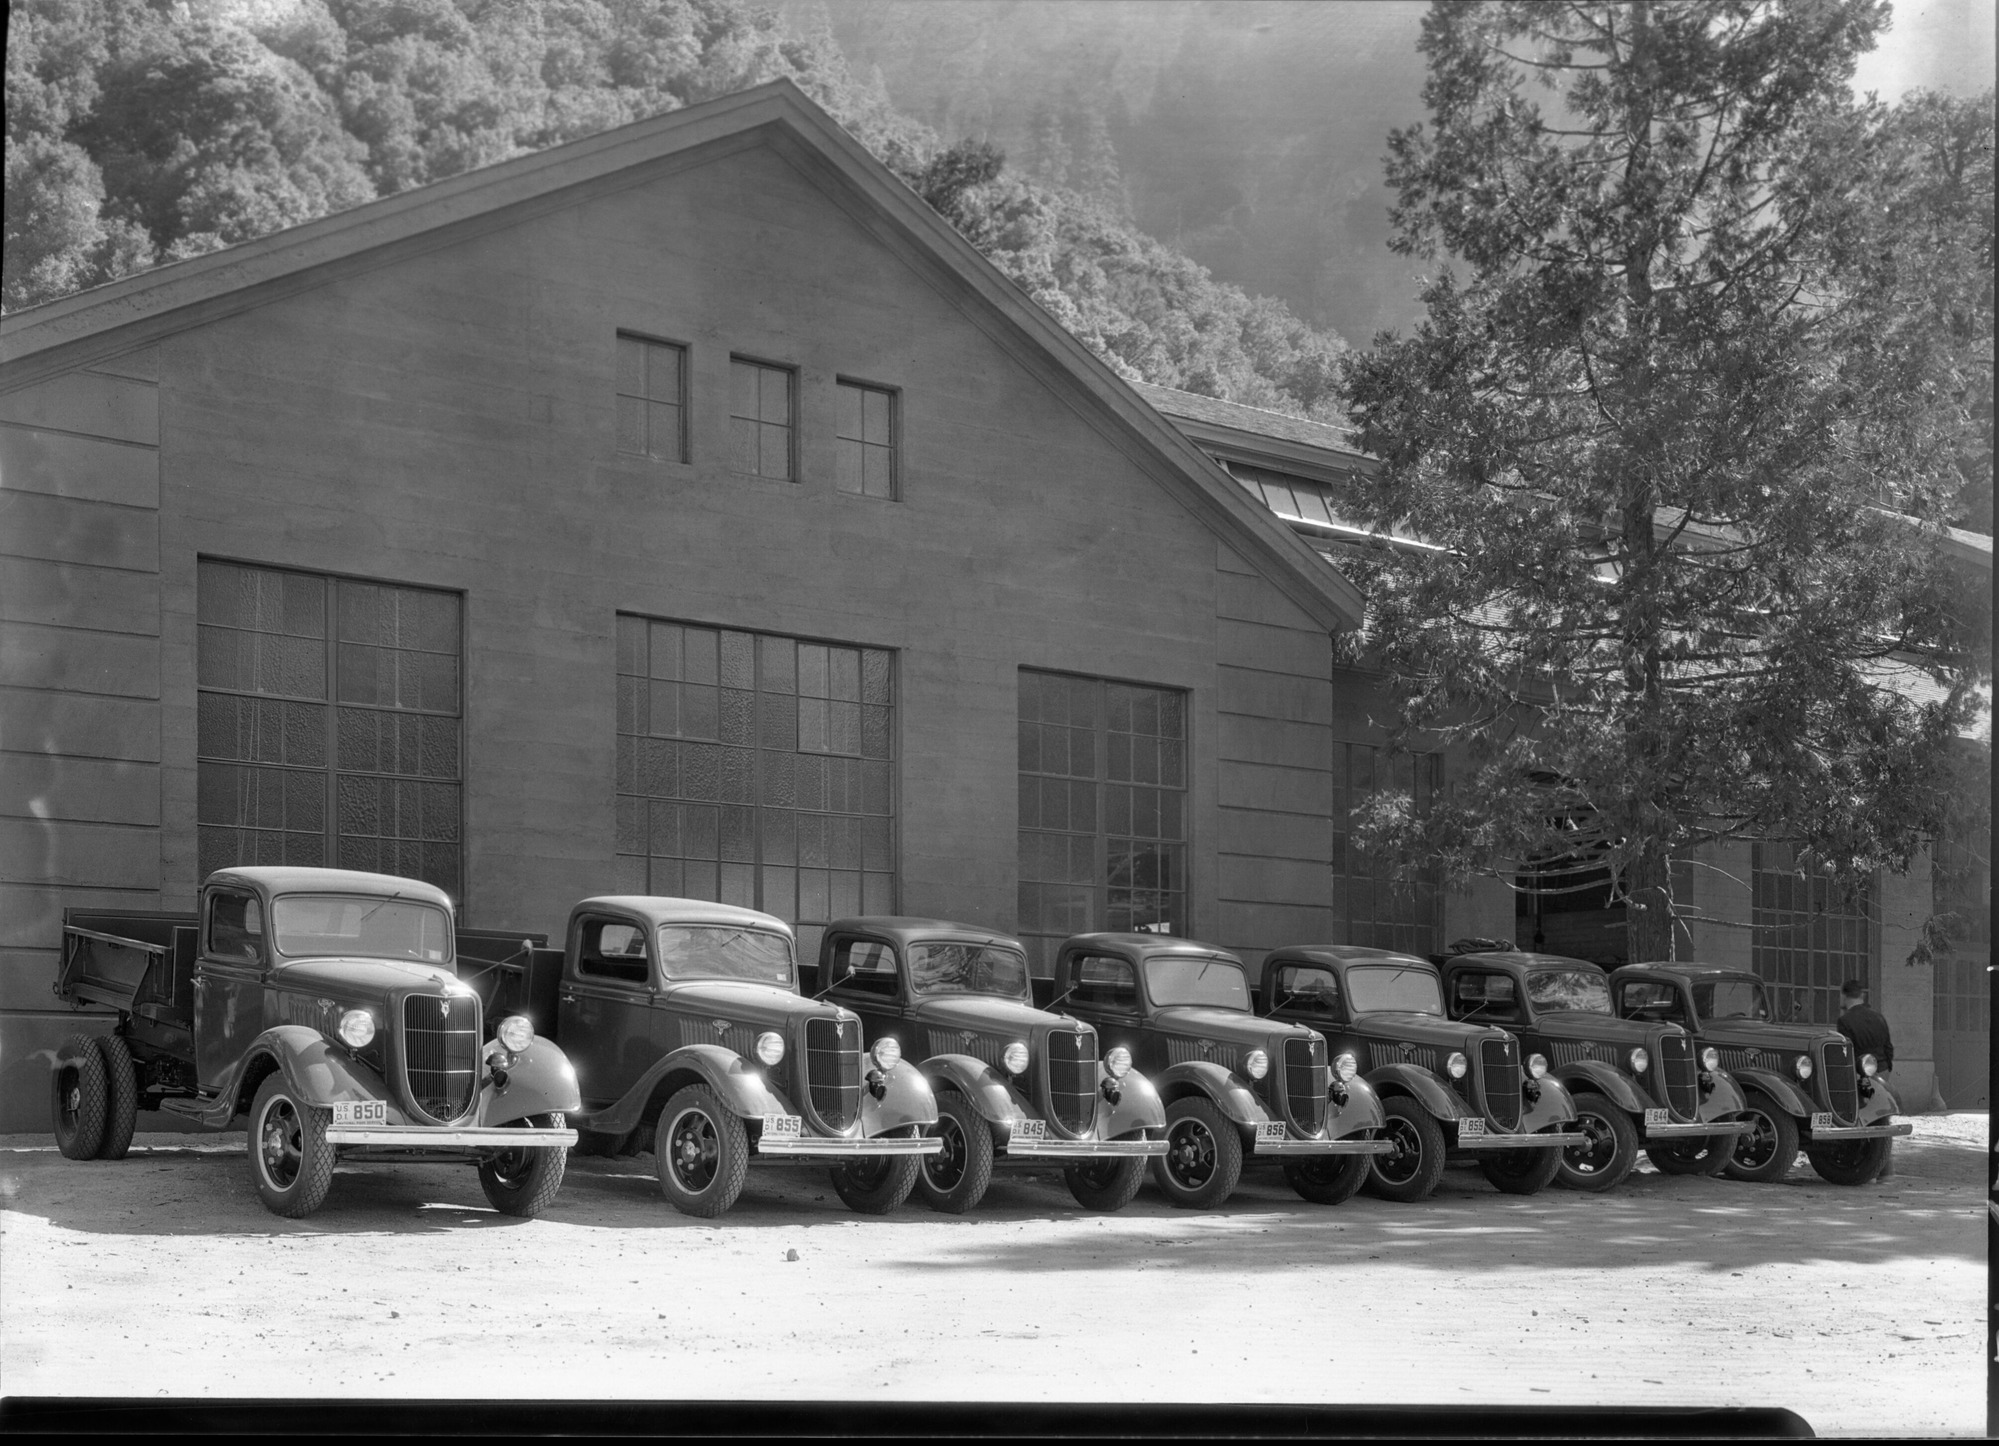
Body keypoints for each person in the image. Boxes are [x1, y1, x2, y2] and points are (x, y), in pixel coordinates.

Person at [1836, 979, 1895, 1181]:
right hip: (1882, 1071)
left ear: (1844, 996)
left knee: (1862, 1120)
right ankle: (1886, 1170)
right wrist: (1886, 1069)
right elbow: (1888, 1047)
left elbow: (1847, 1052)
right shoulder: (1879, 1017)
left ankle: (1867, 1168)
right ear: (1861, 995)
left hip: (1860, 1073)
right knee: (1882, 1117)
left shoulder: (1845, 1021)